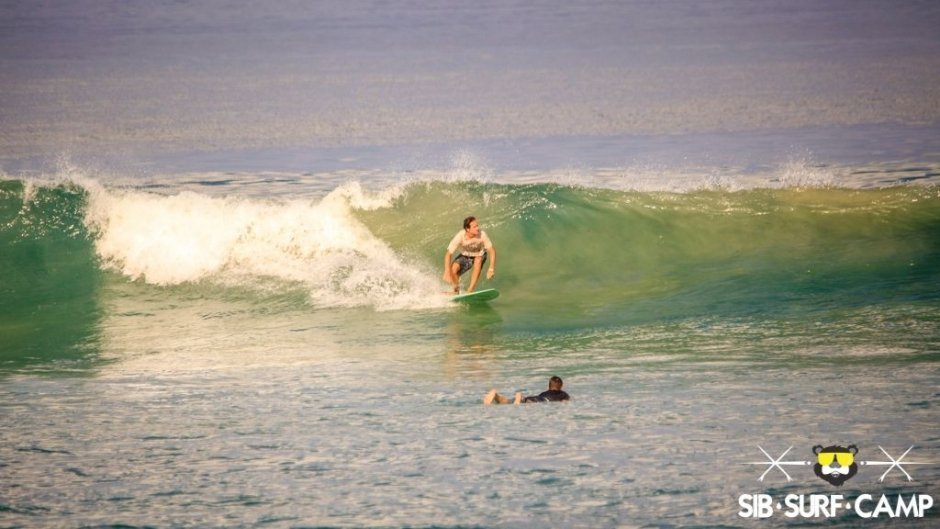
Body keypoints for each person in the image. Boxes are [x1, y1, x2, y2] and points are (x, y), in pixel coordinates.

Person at [443, 216, 496, 294]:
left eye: (477, 226)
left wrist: (491, 269)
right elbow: (448, 254)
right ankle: (456, 291)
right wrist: (447, 271)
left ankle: (470, 290)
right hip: (465, 256)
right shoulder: (460, 236)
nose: (477, 228)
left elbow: (492, 251)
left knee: (478, 259)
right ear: (468, 229)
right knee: (453, 270)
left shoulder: (482, 235)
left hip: (480, 255)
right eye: (474, 227)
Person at [484, 376, 570, 405]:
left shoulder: (544, 393)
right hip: (538, 401)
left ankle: (496, 396)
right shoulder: (564, 394)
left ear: (549, 386)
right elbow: (565, 402)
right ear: (561, 386)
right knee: (518, 404)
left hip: (534, 398)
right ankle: (519, 399)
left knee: (507, 401)